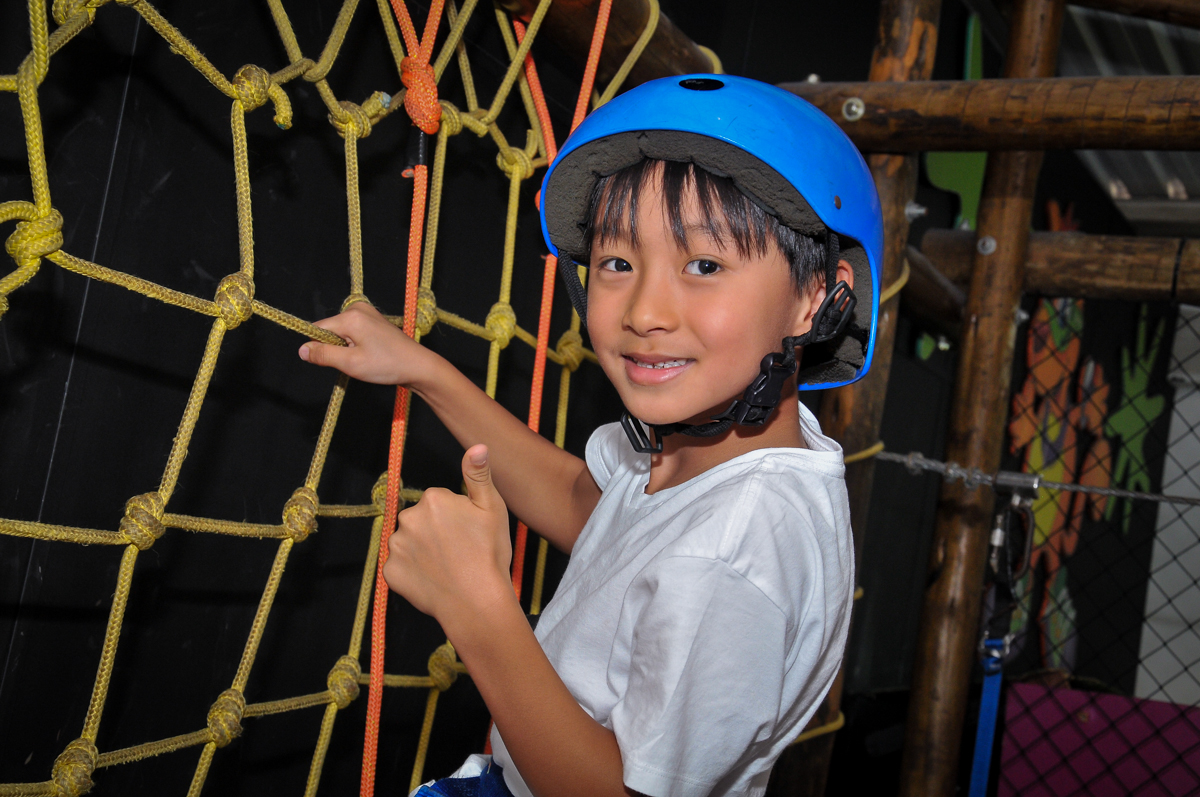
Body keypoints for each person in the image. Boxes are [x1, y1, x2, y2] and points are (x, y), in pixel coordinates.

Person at [298, 74, 883, 797]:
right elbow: (588, 506)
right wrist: (425, 373)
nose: (644, 310)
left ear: (816, 299)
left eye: (704, 265)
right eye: (617, 263)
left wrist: (478, 610)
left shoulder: (738, 546)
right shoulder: (723, 451)